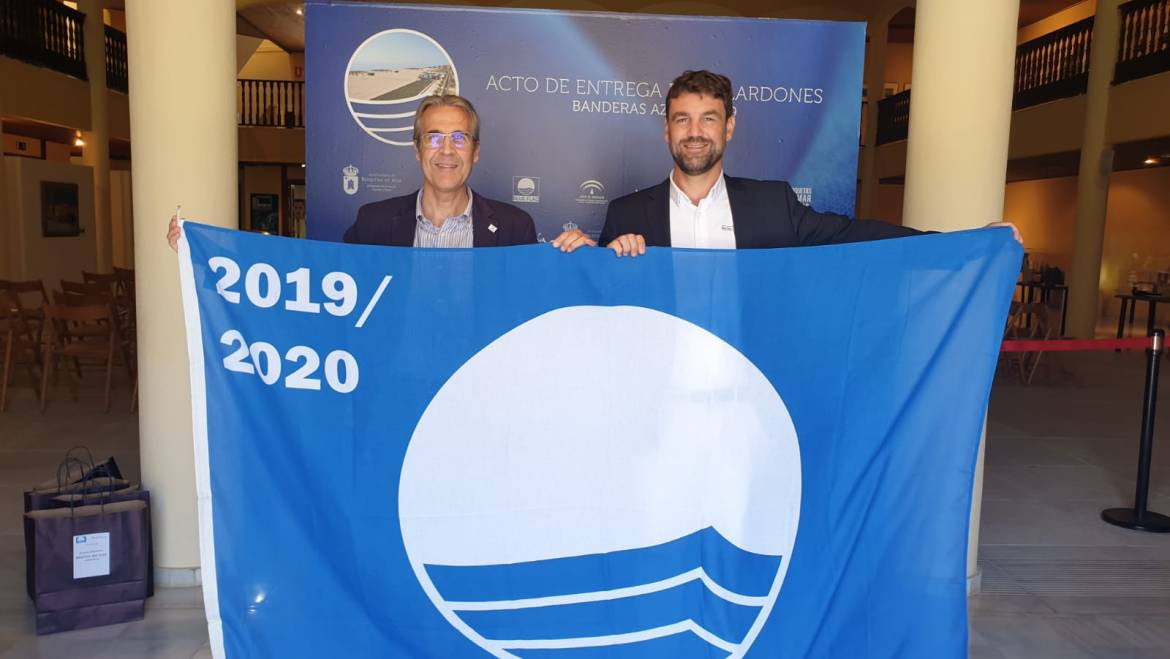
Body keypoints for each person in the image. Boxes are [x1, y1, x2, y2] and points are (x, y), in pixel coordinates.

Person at [551, 70, 1020, 256]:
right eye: (683, 120)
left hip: (751, 382)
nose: (695, 133)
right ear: (666, 128)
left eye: (708, 119)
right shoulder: (627, 214)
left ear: (729, 126)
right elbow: (604, 306)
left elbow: (852, 236)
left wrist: (967, 244)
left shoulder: (773, 203)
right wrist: (583, 256)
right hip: (659, 386)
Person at [167, 94, 537, 250]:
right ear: (417, 149)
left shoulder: (513, 227)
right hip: (395, 383)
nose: (446, 150)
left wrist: (584, 259)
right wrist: (203, 248)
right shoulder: (373, 223)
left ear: (475, 151)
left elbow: (542, 299)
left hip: (479, 388)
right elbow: (314, 278)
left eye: (459, 138)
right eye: (433, 137)